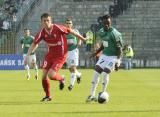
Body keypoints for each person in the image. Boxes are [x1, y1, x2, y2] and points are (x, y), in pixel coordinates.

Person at [25, 13, 87, 102]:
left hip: (60, 55)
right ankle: (48, 96)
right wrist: (27, 56)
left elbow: (71, 31)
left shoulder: (57, 28)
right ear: (41, 22)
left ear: (51, 21)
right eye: (44, 21)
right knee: (43, 76)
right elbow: (34, 43)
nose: (46, 22)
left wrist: (83, 39)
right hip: (50, 55)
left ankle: (62, 78)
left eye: (48, 20)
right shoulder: (42, 32)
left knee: (51, 75)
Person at [86, 14, 123, 102]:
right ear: (102, 23)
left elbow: (120, 49)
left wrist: (118, 61)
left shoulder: (115, 34)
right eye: (105, 23)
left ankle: (103, 94)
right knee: (96, 72)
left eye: (108, 23)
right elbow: (104, 44)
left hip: (114, 57)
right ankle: (91, 95)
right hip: (104, 56)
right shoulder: (101, 32)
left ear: (110, 22)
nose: (106, 24)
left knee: (105, 73)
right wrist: (96, 53)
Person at [65, 17, 82, 91]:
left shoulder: (75, 31)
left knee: (73, 68)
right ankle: (79, 75)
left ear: (72, 24)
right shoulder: (64, 32)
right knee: (71, 69)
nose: (68, 24)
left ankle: (71, 85)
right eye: (67, 23)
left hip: (73, 51)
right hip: (66, 52)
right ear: (65, 24)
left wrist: (79, 43)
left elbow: (80, 38)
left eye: (70, 23)